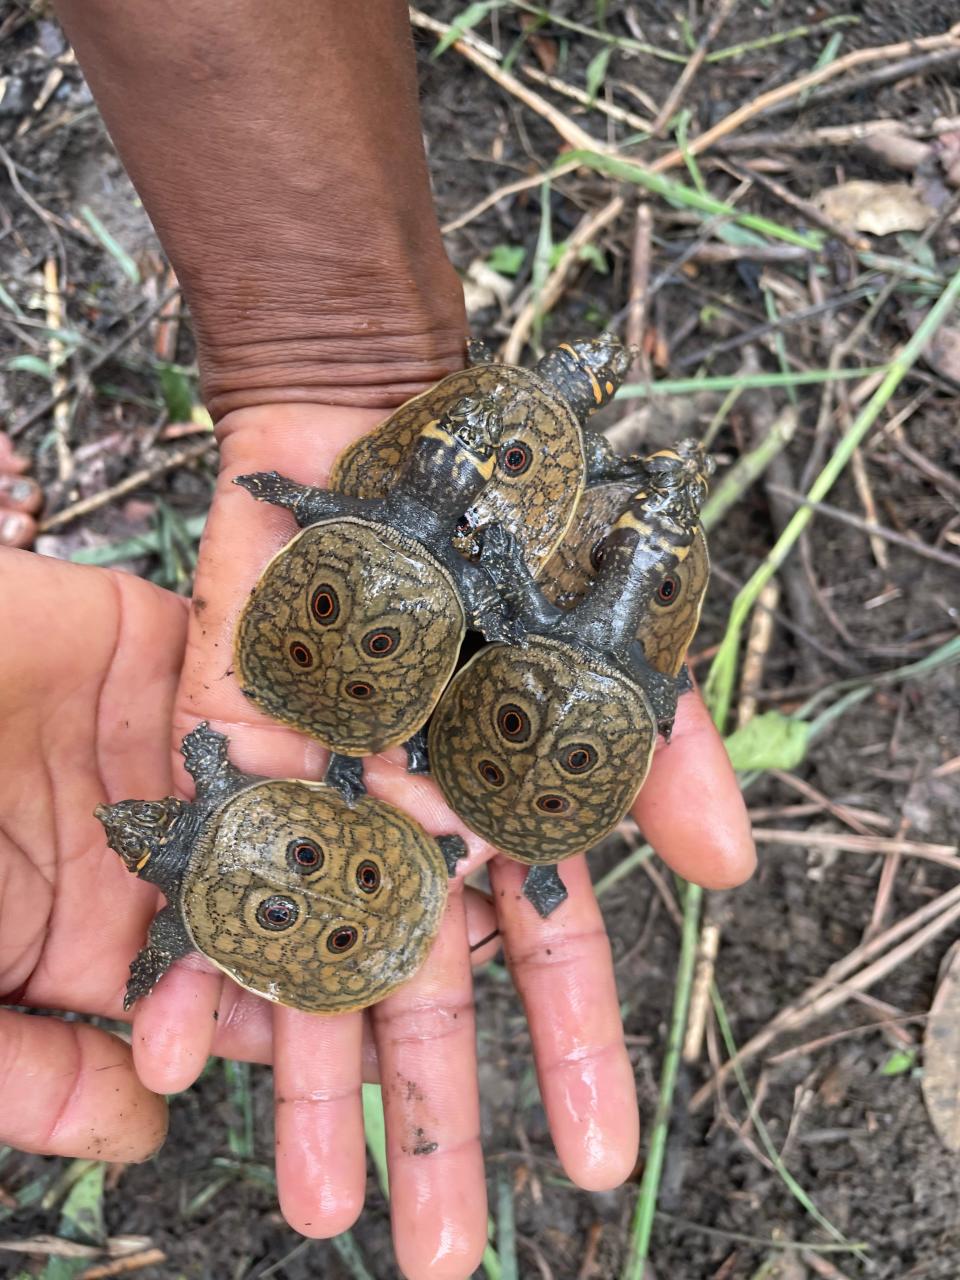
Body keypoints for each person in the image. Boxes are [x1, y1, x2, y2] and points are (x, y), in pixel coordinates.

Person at [1, 3, 757, 1277]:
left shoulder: (213, 810)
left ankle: (445, 780)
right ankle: (450, 784)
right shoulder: (216, 806)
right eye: (137, 834)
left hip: (416, 608)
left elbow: (521, 579)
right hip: (410, 618)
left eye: (141, 839)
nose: (133, 834)